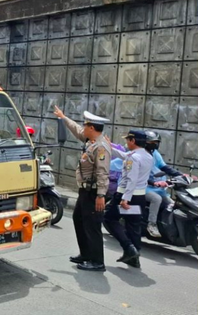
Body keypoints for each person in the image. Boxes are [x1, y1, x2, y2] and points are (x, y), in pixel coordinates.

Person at [53, 107, 110, 272]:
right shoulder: (90, 141)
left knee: (92, 226)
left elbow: (102, 172)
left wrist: (101, 195)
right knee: (79, 219)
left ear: (92, 128)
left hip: (93, 193)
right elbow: (77, 131)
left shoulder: (101, 147)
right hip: (84, 191)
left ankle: (97, 261)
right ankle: (85, 254)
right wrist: (64, 117)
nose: (83, 128)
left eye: (85, 126)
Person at [104, 130, 154, 269]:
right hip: (140, 196)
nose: (126, 142)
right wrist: (110, 147)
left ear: (133, 141)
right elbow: (123, 155)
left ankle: (128, 247)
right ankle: (134, 257)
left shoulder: (133, 158)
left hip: (126, 195)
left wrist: (125, 199)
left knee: (109, 219)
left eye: (127, 140)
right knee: (134, 226)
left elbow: (132, 179)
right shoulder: (147, 156)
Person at [142, 131, 182, 238]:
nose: (154, 144)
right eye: (152, 141)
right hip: (143, 186)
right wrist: (154, 182)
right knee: (156, 199)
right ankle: (151, 224)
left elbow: (164, 167)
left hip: (157, 187)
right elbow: (138, 176)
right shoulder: (140, 154)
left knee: (171, 203)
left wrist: (182, 175)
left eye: (156, 142)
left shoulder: (155, 154)